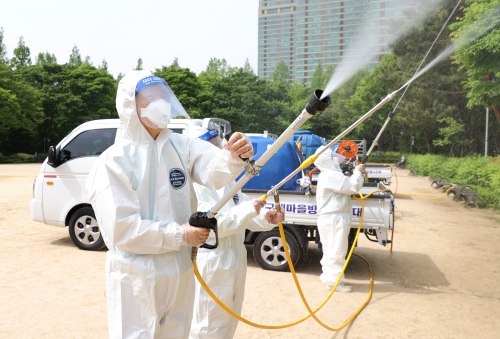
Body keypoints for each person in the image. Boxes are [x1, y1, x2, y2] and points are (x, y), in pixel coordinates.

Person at [85, 70, 254, 339]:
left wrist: (234, 156)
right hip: (137, 277)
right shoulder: (113, 162)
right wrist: (181, 234)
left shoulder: (179, 146)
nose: (161, 103)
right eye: (151, 97)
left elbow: (214, 170)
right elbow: (124, 230)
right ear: (131, 106)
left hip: (179, 270)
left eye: (164, 97)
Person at [188, 124, 285, 339]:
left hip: (235, 259)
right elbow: (210, 227)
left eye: (216, 142)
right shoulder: (194, 185)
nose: (216, 148)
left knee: (229, 321)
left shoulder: (229, 181)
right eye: (209, 144)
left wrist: (264, 218)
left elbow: (242, 218)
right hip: (211, 261)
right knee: (207, 325)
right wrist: (248, 209)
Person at [314, 145, 365, 293]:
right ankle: (334, 283)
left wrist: (356, 172)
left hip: (331, 217)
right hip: (334, 217)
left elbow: (345, 184)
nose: (336, 158)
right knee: (337, 250)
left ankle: (328, 277)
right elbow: (352, 186)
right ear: (327, 159)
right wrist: (358, 172)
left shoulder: (328, 174)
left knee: (330, 249)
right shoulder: (330, 175)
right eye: (332, 156)